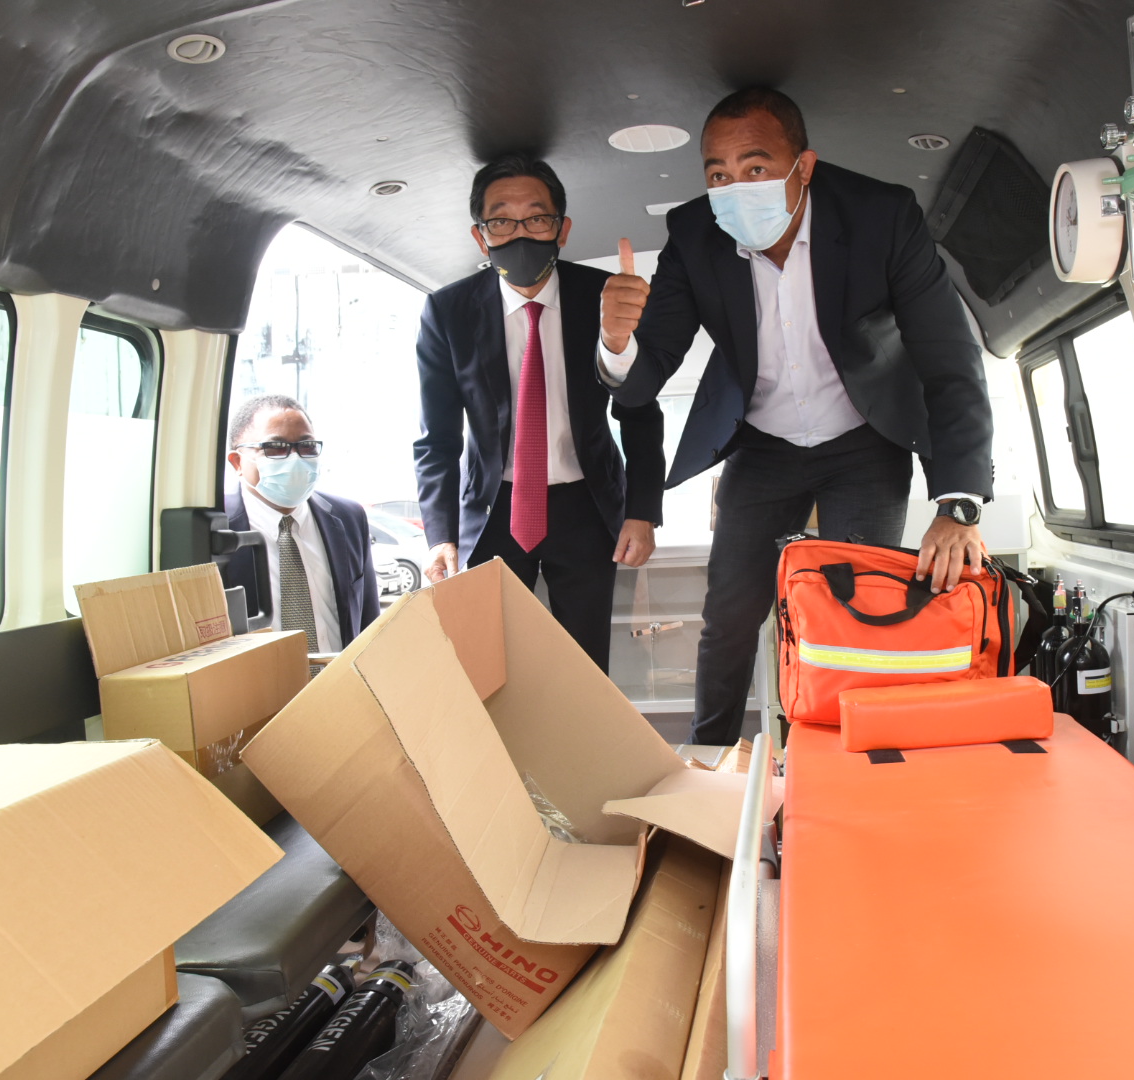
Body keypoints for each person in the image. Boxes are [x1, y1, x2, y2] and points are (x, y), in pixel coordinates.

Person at [598, 87, 993, 744]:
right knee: (728, 613)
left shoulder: (881, 216)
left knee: (859, 610)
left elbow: (950, 364)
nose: (733, 189)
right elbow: (647, 370)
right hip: (763, 443)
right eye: (718, 175)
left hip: (866, 441)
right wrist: (616, 343)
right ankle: (710, 759)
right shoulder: (695, 234)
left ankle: (853, 757)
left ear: (802, 166)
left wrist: (958, 505)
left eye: (755, 169)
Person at [413, 154, 665, 672]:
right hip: (493, 511)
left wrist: (642, 510)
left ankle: (582, 755)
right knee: (484, 666)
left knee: (584, 667)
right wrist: (441, 533)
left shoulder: (604, 297)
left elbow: (638, 409)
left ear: (562, 229)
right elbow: (437, 439)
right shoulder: (448, 312)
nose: (520, 232)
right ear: (481, 237)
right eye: (501, 220)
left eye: (537, 217)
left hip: (587, 508)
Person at [222, 394, 381, 653]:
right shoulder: (216, 529)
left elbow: (369, 621)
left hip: (337, 685)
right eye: (276, 447)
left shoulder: (348, 518)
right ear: (237, 461)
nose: (295, 458)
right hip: (252, 688)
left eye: (307, 446)